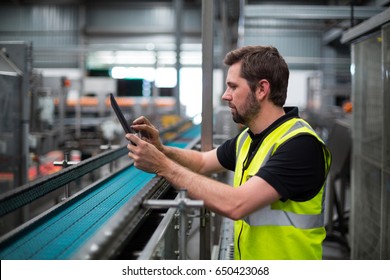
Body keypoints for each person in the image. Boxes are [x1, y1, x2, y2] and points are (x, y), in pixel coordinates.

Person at [126, 45, 332, 260]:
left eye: (233, 87)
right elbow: (202, 162)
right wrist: (162, 150)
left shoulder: (300, 146)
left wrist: (162, 165)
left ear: (262, 89)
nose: (225, 96)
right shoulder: (249, 137)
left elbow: (236, 204)